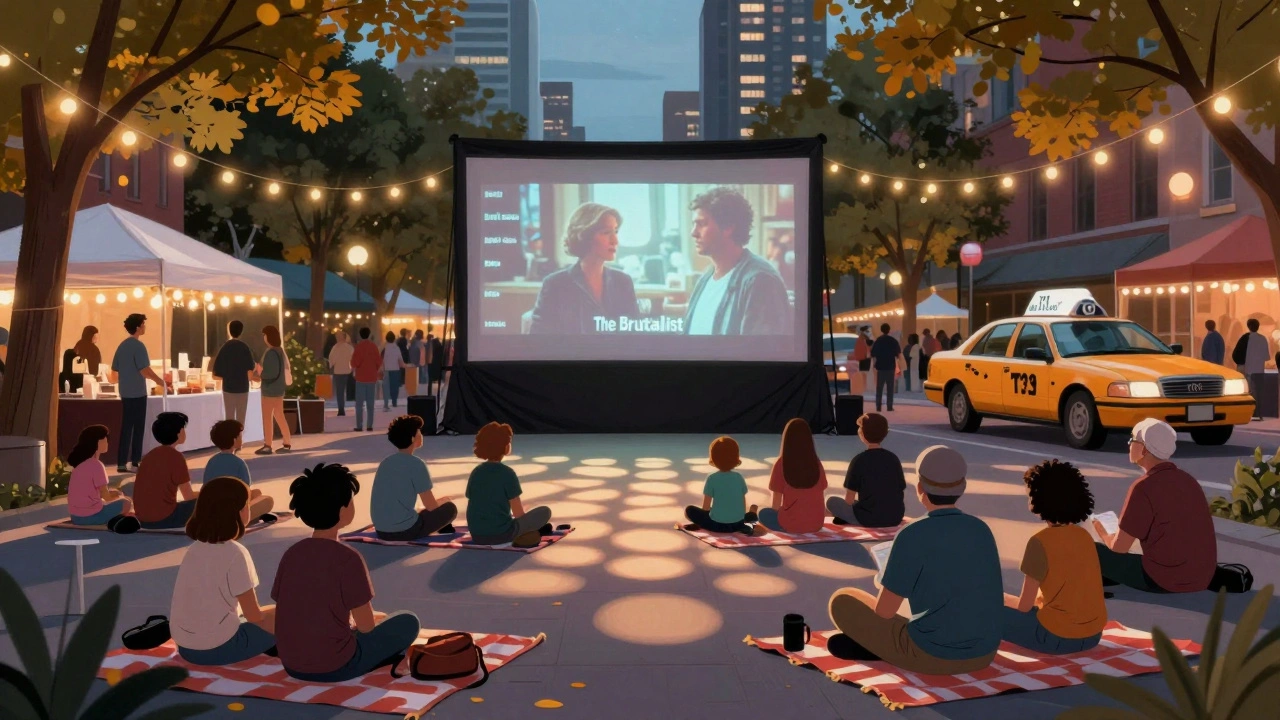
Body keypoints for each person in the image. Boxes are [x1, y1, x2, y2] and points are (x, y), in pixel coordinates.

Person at [825, 445, 1002, 673]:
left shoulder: (912, 533)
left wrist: (885, 582)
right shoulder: (981, 529)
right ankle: (881, 648)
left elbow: (885, 612)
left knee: (843, 601)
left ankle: (881, 650)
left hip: (932, 654)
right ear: (963, 487)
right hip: (984, 654)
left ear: (920, 488)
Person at [272, 463, 420, 681]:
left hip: (291, 664)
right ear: (343, 510)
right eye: (350, 501)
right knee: (407, 622)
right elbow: (367, 626)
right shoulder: (348, 559)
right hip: (337, 665)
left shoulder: (291, 554)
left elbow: (290, 609)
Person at [1093, 419, 1217, 593]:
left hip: (1162, 579)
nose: (1129, 445)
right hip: (1202, 577)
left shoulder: (1144, 487)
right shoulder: (1188, 480)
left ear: (1143, 449)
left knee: (1093, 550)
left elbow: (1119, 548)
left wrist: (1103, 532)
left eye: (1132, 441)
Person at [170, 476, 277, 666]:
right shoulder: (235, 552)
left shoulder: (194, 549)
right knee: (285, 615)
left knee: (262, 615)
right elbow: (253, 615)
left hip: (186, 648)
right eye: (246, 504)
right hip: (219, 648)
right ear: (236, 512)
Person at [1002, 460, 1107, 655]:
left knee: (987, 611)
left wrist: (1004, 599)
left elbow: (1024, 606)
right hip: (1093, 635)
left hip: (1056, 638)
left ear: (1038, 499)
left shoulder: (1039, 542)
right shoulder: (1084, 536)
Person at [682, 187, 790, 336]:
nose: (693, 233)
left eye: (701, 224)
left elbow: (762, 352)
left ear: (728, 228)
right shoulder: (705, 278)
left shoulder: (760, 280)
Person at [529, 203, 639, 334]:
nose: (615, 240)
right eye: (606, 233)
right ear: (585, 236)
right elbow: (539, 339)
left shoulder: (623, 281)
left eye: (615, 232)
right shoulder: (555, 284)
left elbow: (633, 336)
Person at [465, 421, 554, 547]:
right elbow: (518, 514)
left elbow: (478, 503)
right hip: (501, 535)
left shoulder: (476, 472)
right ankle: (527, 534)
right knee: (545, 511)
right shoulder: (507, 473)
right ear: (506, 447)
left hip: (477, 535)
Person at [370, 415, 458, 541]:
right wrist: (445, 501)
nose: (421, 435)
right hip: (406, 531)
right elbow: (431, 505)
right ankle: (442, 527)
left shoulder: (385, 462)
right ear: (412, 438)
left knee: (437, 504)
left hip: (381, 530)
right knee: (450, 508)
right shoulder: (416, 464)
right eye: (419, 432)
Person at [828, 413, 905, 528]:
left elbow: (849, 500)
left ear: (862, 434)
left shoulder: (858, 460)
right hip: (895, 516)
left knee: (831, 501)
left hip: (868, 518)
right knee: (859, 504)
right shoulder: (893, 459)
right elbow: (900, 491)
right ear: (885, 434)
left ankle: (851, 519)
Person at [203, 417, 279, 533]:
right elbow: (246, 492)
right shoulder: (239, 463)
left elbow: (206, 487)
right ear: (234, 440)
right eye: (240, 436)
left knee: (257, 492)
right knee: (267, 500)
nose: (241, 438)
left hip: (213, 509)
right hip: (234, 514)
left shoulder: (211, 461)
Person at [111, 313, 165, 473]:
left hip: (125, 392)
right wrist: (159, 380)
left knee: (126, 426)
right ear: (138, 327)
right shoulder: (138, 346)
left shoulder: (122, 346)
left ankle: (121, 462)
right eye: (143, 324)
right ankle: (135, 460)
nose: (145, 327)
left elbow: (114, 371)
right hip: (138, 392)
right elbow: (144, 370)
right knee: (138, 427)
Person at [759, 418, 827, 534]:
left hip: (792, 525)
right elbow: (821, 493)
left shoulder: (781, 463)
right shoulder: (816, 462)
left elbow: (775, 504)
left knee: (763, 514)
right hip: (817, 523)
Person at [133, 412, 200, 529]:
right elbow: (188, 496)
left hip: (142, 519)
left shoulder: (149, 456)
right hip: (165, 518)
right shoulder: (176, 457)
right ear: (179, 433)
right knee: (207, 501)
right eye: (183, 428)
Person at [66, 424, 138, 532]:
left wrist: (113, 493)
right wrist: (118, 495)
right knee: (126, 502)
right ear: (97, 442)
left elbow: (92, 492)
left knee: (118, 496)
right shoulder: (96, 465)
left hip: (76, 517)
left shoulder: (79, 466)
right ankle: (115, 521)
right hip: (90, 516)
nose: (107, 442)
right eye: (105, 439)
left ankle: (116, 518)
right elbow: (107, 496)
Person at [683, 436, 761, 535]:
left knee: (689, 510)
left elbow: (706, 508)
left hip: (717, 525)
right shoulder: (739, 477)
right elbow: (742, 503)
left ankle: (751, 514)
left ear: (713, 458)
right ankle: (752, 514)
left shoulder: (712, 478)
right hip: (737, 524)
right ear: (736, 458)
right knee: (740, 514)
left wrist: (700, 522)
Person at [253, 325, 292, 455]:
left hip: (269, 390)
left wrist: (259, 374)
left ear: (268, 337)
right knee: (279, 416)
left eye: (265, 335)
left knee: (267, 418)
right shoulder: (280, 351)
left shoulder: (270, 352)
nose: (264, 338)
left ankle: (267, 445)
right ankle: (286, 442)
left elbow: (270, 373)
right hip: (279, 389)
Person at [213, 321, 257, 425]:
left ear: (229, 330)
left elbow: (215, 375)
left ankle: (230, 439)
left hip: (228, 388)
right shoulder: (245, 348)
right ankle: (239, 439)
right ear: (241, 331)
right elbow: (250, 375)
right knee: (241, 418)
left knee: (229, 417)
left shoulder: (224, 348)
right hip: (243, 388)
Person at [1231, 318, 1269, 420]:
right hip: (1259, 369)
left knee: (1248, 391)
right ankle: (1258, 413)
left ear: (1248, 326)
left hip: (1247, 368)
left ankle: (1249, 412)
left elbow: (1235, 354)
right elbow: (1266, 357)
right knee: (1259, 391)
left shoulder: (1244, 338)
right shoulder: (1263, 339)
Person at [350, 328, 382, 432]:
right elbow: (379, 362)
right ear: (369, 334)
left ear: (360, 335)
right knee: (370, 403)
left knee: (359, 404)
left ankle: (359, 425)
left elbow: (355, 363)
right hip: (372, 378)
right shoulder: (373, 346)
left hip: (360, 378)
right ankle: (370, 425)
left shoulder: (359, 347)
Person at [870, 323, 904, 412]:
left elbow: (873, 353)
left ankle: (878, 406)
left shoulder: (878, 341)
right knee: (890, 387)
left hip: (880, 367)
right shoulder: (893, 341)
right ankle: (889, 406)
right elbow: (898, 353)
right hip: (890, 367)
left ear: (881, 330)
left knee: (879, 388)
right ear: (889, 330)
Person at [328, 331, 355, 417]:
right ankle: (347, 406)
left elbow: (331, 360)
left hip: (338, 371)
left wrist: (331, 366)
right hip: (348, 371)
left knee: (340, 391)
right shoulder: (349, 348)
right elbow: (353, 359)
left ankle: (341, 409)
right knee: (347, 390)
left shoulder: (335, 348)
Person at [381, 331, 406, 409]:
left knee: (386, 387)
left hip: (387, 370)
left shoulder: (384, 348)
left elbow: (381, 359)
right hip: (395, 369)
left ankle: (386, 403)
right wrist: (404, 366)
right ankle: (394, 402)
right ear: (394, 339)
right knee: (394, 387)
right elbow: (400, 359)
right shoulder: (397, 348)